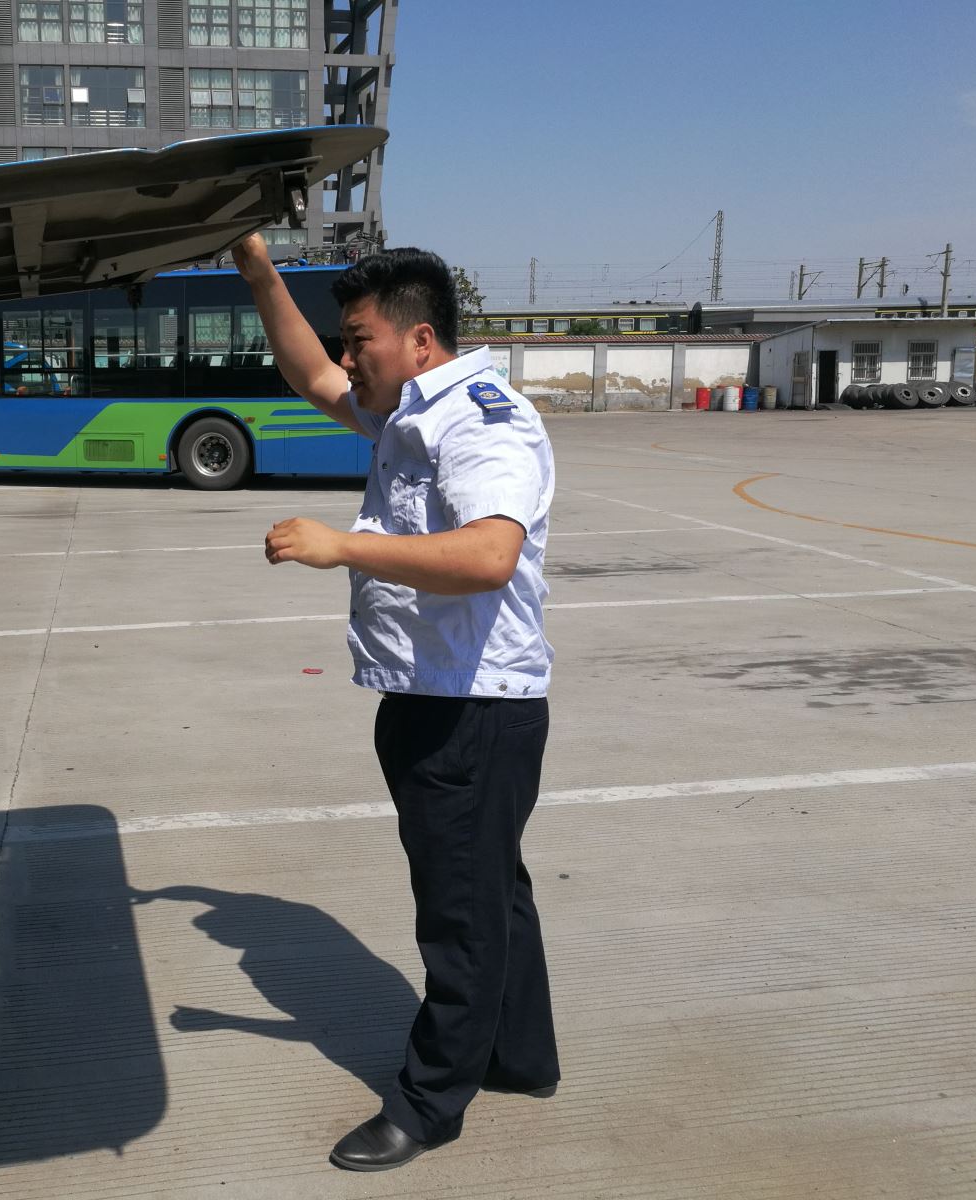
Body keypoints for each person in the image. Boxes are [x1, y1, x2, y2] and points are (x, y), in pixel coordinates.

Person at [230, 232, 559, 1172]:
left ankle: (429, 1101)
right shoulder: (407, 412)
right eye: (345, 340)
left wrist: (341, 545)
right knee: (493, 892)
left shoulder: (480, 422)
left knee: (458, 913)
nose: (346, 359)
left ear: (420, 340)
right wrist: (256, 267)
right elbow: (308, 376)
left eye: (360, 340)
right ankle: (520, 1055)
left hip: (470, 710)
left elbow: (489, 555)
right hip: (434, 699)